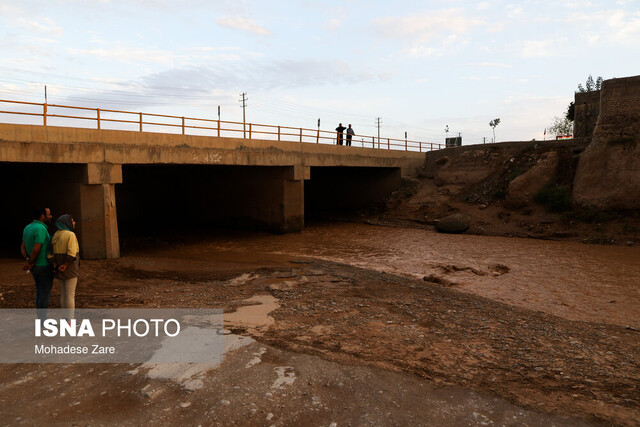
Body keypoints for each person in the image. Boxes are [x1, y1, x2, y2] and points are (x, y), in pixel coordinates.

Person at [21, 207, 54, 318]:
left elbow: (23, 247)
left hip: (34, 267)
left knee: (39, 291)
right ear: (42, 216)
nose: (50, 216)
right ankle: (43, 320)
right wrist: (30, 262)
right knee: (44, 293)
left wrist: (28, 260)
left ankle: (40, 318)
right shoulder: (41, 229)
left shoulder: (27, 228)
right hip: (43, 265)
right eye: (48, 214)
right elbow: (36, 249)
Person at [51, 214, 80, 319]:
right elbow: (72, 253)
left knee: (63, 294)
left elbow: (50, 253)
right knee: (70, 295)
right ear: (66, 223)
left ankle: (65, 318)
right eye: (72, 221)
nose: (74, 222)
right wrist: (66, 264)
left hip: (58, 266)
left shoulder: (55, 235)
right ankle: (70, 320)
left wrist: (54, 263)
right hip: (69, 267)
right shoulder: (70, 235)